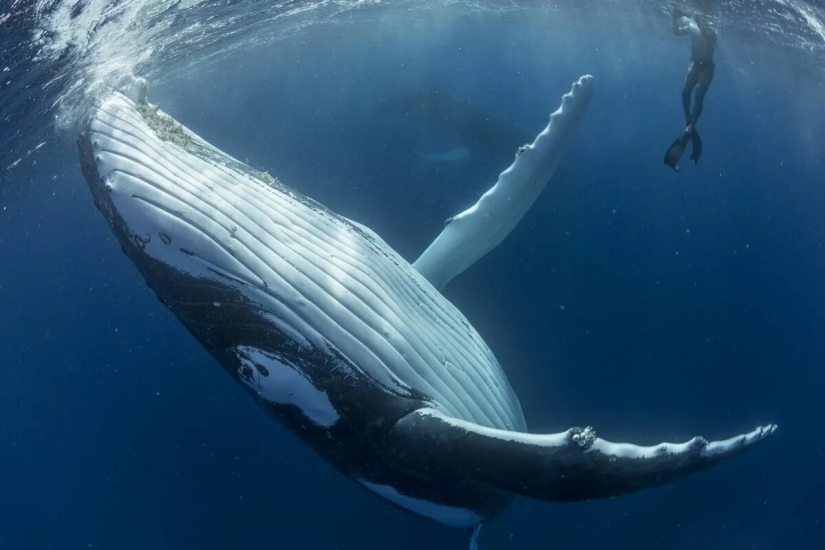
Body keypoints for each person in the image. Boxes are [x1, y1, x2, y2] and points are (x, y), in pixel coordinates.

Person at [664, 8, 717, 171]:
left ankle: (690, 127)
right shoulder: (693, 25)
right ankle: (689, 120)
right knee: (685, 93)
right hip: (694, 64)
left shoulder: (712, 30)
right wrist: (675, 18)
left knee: (698, 97)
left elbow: (708, 35)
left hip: (706, 69)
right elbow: (676, 32)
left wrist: (689, 16)